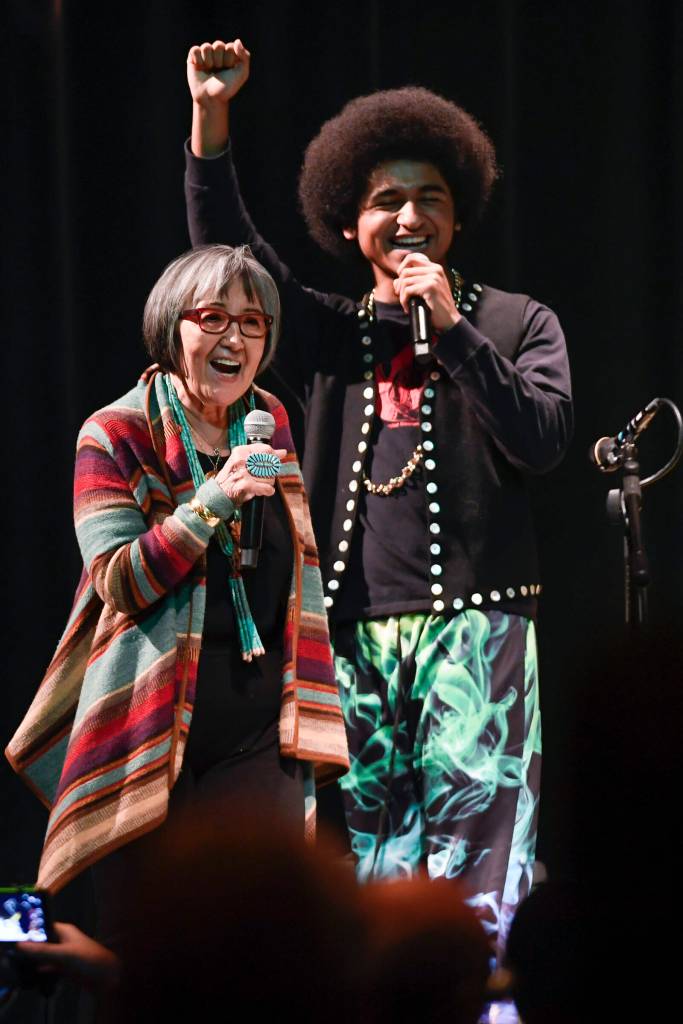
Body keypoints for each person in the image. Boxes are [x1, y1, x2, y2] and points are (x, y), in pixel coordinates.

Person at [183, 39, 573, 958]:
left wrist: (458, 332)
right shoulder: (318, 331)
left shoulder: (517, 322)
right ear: (350, 223)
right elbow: (224, 255)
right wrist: (210, 121)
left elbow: (545, 440)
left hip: (480, 634)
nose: (407, 216)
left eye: (428, 199)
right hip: (349, 631)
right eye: (385, 201)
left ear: (457, 218)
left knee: (483, 865)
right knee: (360, 856)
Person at [5, 245, 349, 928]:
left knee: (260, 931)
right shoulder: (114, 432)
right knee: (160, 941)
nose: (235, 339)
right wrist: (213, 499)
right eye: (214, 317)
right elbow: (122, 581)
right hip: (149, 713)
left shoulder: (268, 420)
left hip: (257, 717)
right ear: (172, 329)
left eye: (253, 324)